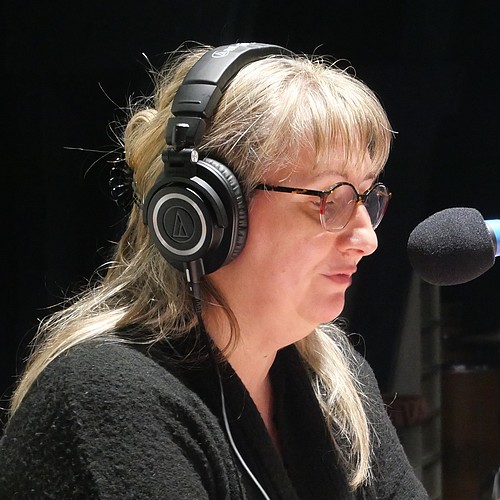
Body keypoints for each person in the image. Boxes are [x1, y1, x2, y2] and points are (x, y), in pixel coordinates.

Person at [0, 42, 428, 499]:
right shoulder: (106, 398)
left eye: (366, 197)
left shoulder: (333, 378)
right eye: (331, 199)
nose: (367, 239)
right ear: (208, 212)